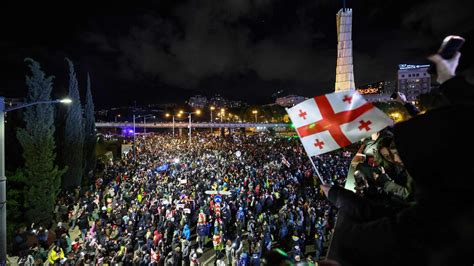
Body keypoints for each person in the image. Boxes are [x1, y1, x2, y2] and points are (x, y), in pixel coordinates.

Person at [321, 50, 474, 265]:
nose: (398, 157)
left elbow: (387, 233)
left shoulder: (444, 215)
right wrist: (449, 80)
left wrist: (379, 183)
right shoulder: (453, 195)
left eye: (401, 153)